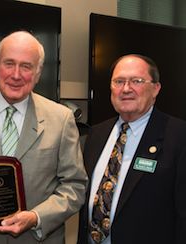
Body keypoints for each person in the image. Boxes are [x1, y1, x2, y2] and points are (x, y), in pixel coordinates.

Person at [0, 30, 88, 244]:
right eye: (9, 63)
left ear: (38, 74)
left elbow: (75, 186)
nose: (16, 74)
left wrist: (36, 217)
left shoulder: (61, 118)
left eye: (26, 66)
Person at [77, 54, 186, 244]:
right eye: (119, 81)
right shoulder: (96, 134)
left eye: (137, 81)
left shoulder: (179, 136)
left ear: (156, 89)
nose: (126, 89)